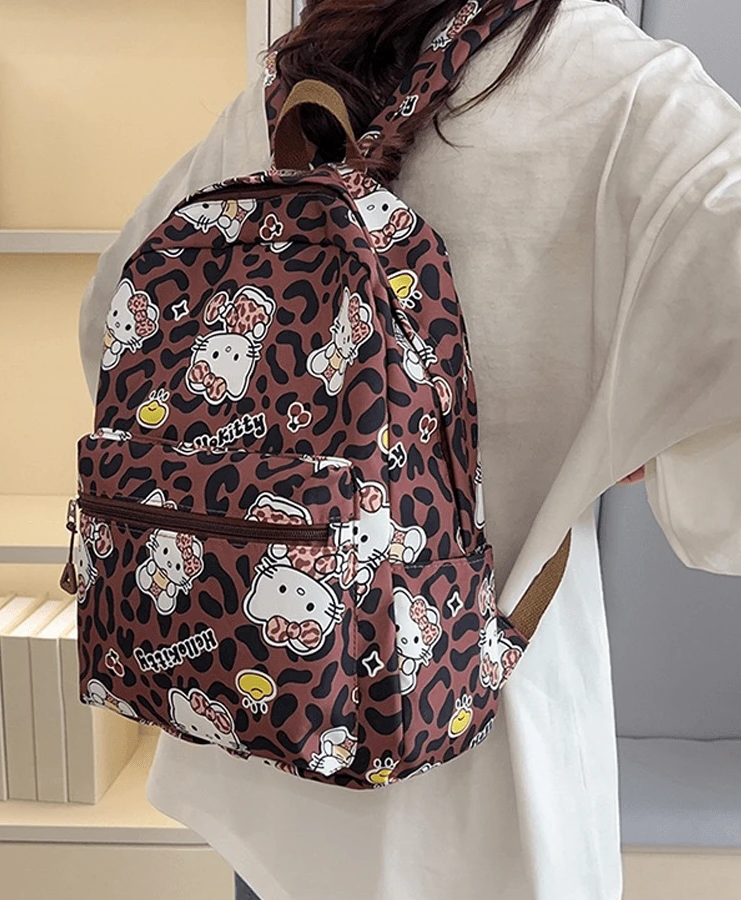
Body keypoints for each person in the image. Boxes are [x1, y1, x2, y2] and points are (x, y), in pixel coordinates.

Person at [78, 1, 741, 898]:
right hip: (471, 804)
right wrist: (644, 432)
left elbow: (107, 326)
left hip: (249, 752)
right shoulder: (620, 92)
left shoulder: (295, 81)